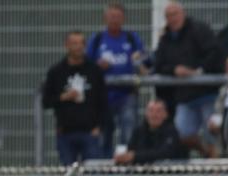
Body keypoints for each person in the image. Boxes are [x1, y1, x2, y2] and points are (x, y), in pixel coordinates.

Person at [154, 2, 223, 156]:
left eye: (175, 14)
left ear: (183, 14)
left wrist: (197, 71)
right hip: (185, 97)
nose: (173, 18)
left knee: (212, 134)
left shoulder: (199, 29)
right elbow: (158, 64)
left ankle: (216, 170)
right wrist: (174, 70)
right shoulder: (165, 38)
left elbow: (215, 52)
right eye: (169, 16)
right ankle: (204, 152)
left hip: (207, 94)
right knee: (182, 134)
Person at [87, 2, 147, 158]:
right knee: (103, 135)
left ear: (124, 19)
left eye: (118, 17)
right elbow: (87, 65)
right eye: (111, 16)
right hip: (103, 97)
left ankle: (127, 166)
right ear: (105, 18)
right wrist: (97, 66)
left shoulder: (131, 38)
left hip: (127, 94)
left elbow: (144, 62)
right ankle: (102, 169)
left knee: (128, 133)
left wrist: (139, 60)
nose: (114, 20)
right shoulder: (98, 39)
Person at [42, 31, 107, 165]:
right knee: (68, 174)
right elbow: (46, 101)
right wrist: (63, 97)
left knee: (92, 173)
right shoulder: (56, 72)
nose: (78, 47)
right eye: (74, 43)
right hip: (65, 132)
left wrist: (99, 127)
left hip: (90, 132)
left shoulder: (94, 70)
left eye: (80, 43)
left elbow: (103, 101)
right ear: (66, 45)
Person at [115, 99, 186, 165]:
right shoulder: (138, 131)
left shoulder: (172, 131)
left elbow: (166, 153)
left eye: (158, 111)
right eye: (151, 110)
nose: (154, 115)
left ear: (166, 114)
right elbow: (130, 151)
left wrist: (135, 156)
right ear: (146, 113)